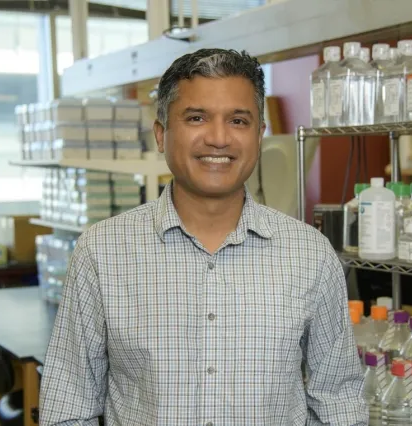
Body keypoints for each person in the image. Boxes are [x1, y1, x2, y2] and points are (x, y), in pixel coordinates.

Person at [40, 48, 367, 425]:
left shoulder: (310, 254)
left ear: (259, 135)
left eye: (238, 121)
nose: (218, 138)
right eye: (196, 118)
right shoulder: (102, 252)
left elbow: (339, 401)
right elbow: (69, 407)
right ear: (161, 134)